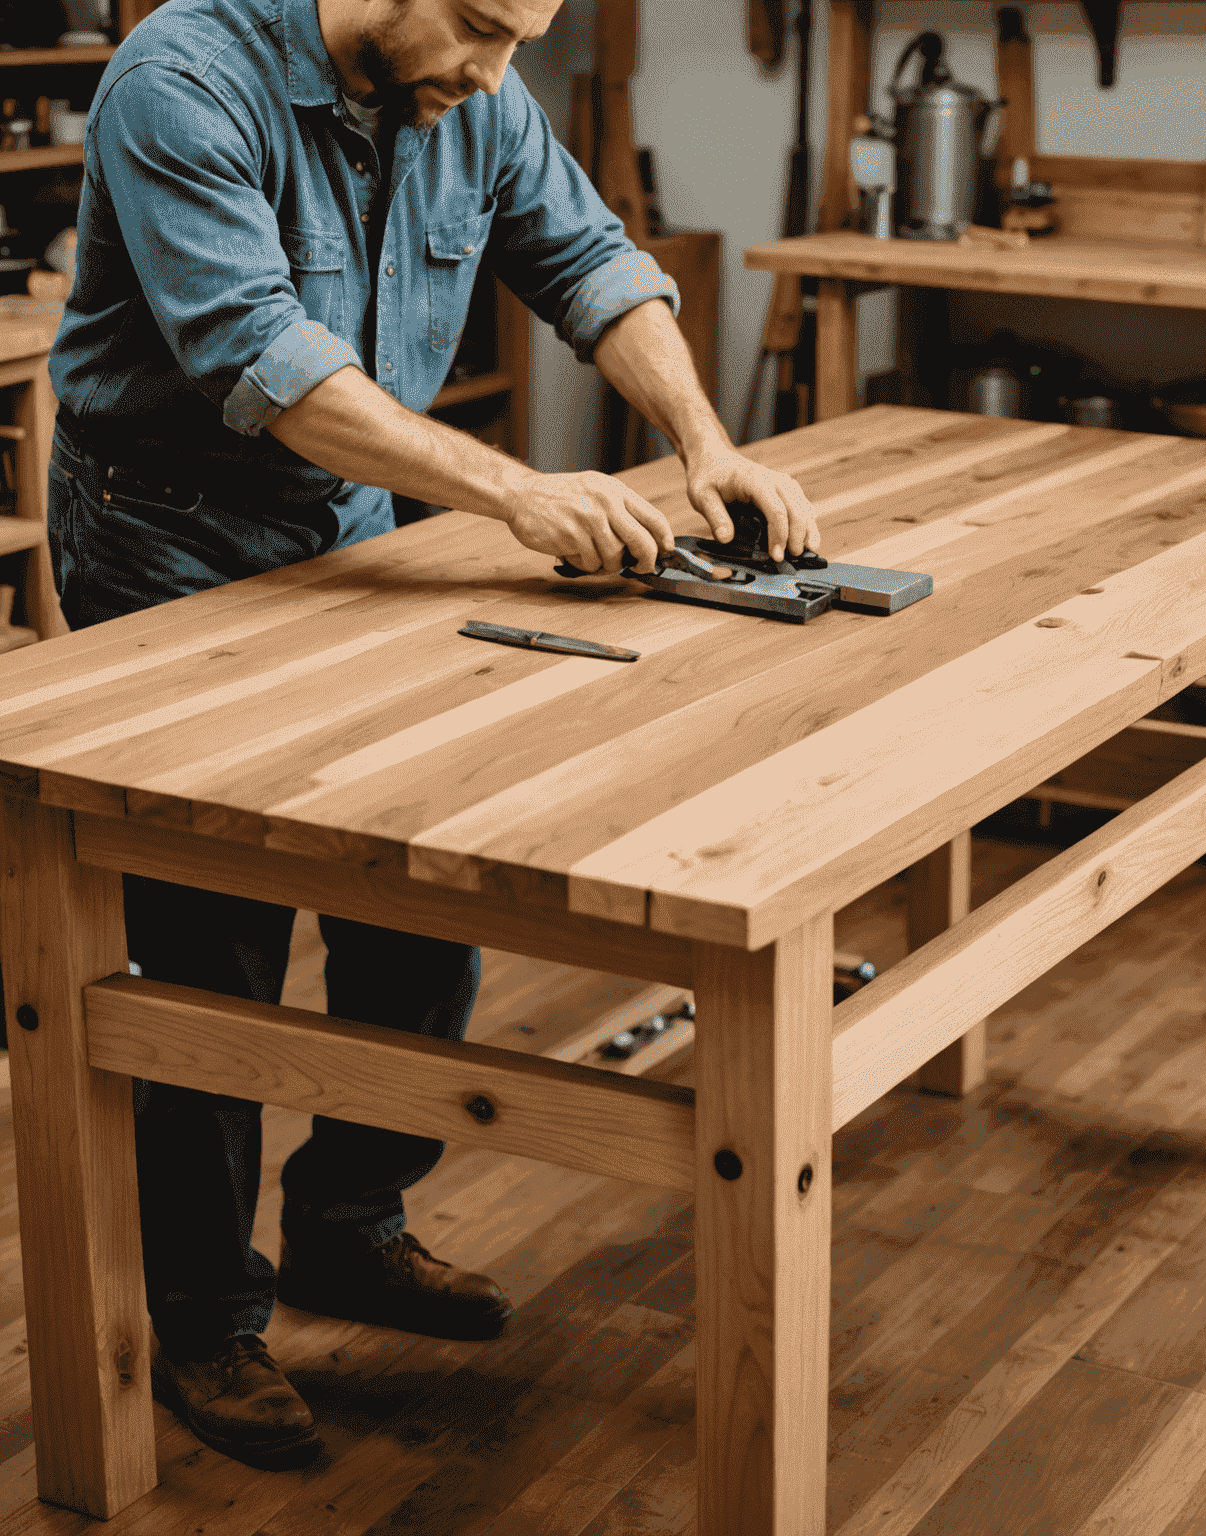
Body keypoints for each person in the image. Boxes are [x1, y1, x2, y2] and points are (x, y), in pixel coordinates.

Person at [48, 0, 821, 1471]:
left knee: (427, 883)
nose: (494, 70)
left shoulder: (474, 97)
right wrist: (515, 489)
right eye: (478, 26)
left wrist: (703, 440)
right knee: (213, 938)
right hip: (171, 544)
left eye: (519, 36)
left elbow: (592, 263)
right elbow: (268, 362)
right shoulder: (181, 80)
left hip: (351, 526)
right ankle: (205, 1317)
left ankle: (352, 1223)